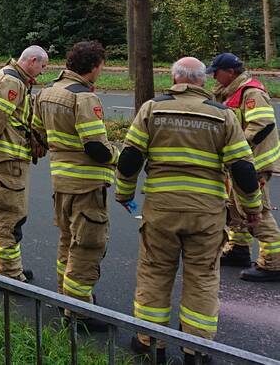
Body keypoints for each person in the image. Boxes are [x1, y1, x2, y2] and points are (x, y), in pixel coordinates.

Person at [116, 57, 262, 363]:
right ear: (202, 82)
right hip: (206, 214)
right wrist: (252, 210)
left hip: (161, 210)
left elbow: (130, 157)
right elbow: (243, 169)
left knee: (155, 273)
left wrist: (124, 193)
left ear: (174, 79)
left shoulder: (153, 109)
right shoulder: (222, 115)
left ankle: (149, 341)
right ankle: (195, 348)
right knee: (203, 277)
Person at [33, 41, 116, 325]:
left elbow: (38, 135)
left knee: (67, 239)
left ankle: (64, 295)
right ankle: (79, 310)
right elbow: (96, 147)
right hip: (87, 185)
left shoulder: (46, 93)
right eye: (101, 67)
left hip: (61, 182)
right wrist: (118, 156)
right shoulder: (84, 98)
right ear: (93, 67)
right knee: (88, 246)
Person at [0, 45, 49, 282]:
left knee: (10, 215)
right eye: (42, 67)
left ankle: (10, 267)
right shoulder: (12, 82)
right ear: (32, 60)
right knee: (10, 218)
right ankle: (9, 275)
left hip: (10, 158)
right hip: (9, 160)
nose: (43, 72)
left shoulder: (10, 77)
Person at [208, 52, 280, 281]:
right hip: (239, 162)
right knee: (234, 208)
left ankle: (273, 263)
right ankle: (238, 249)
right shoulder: (232, 92)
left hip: (252, 163)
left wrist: (237, 147)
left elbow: (262, 124)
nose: (213, 78)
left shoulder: (251, 92)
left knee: (258, 211)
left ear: (230, 72)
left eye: (216, 73)